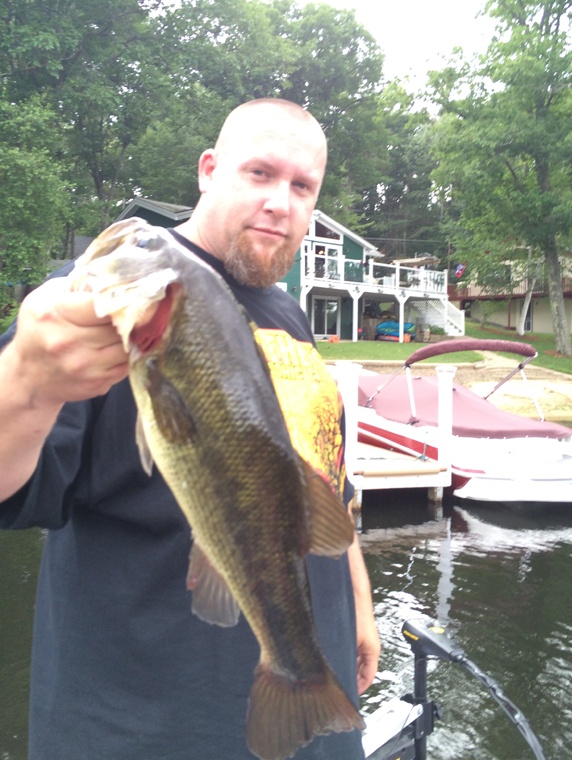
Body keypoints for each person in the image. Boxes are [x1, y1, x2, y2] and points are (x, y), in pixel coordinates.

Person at [0, 98, 380, 760]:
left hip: (315, 690)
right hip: (149, 735)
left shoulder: (288, 314)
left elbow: (320, 477)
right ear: (209, 171)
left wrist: (357, 600)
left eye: (301, 187)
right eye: (259, 173)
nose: (280, 203)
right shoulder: (101, 305)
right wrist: (26, 378)